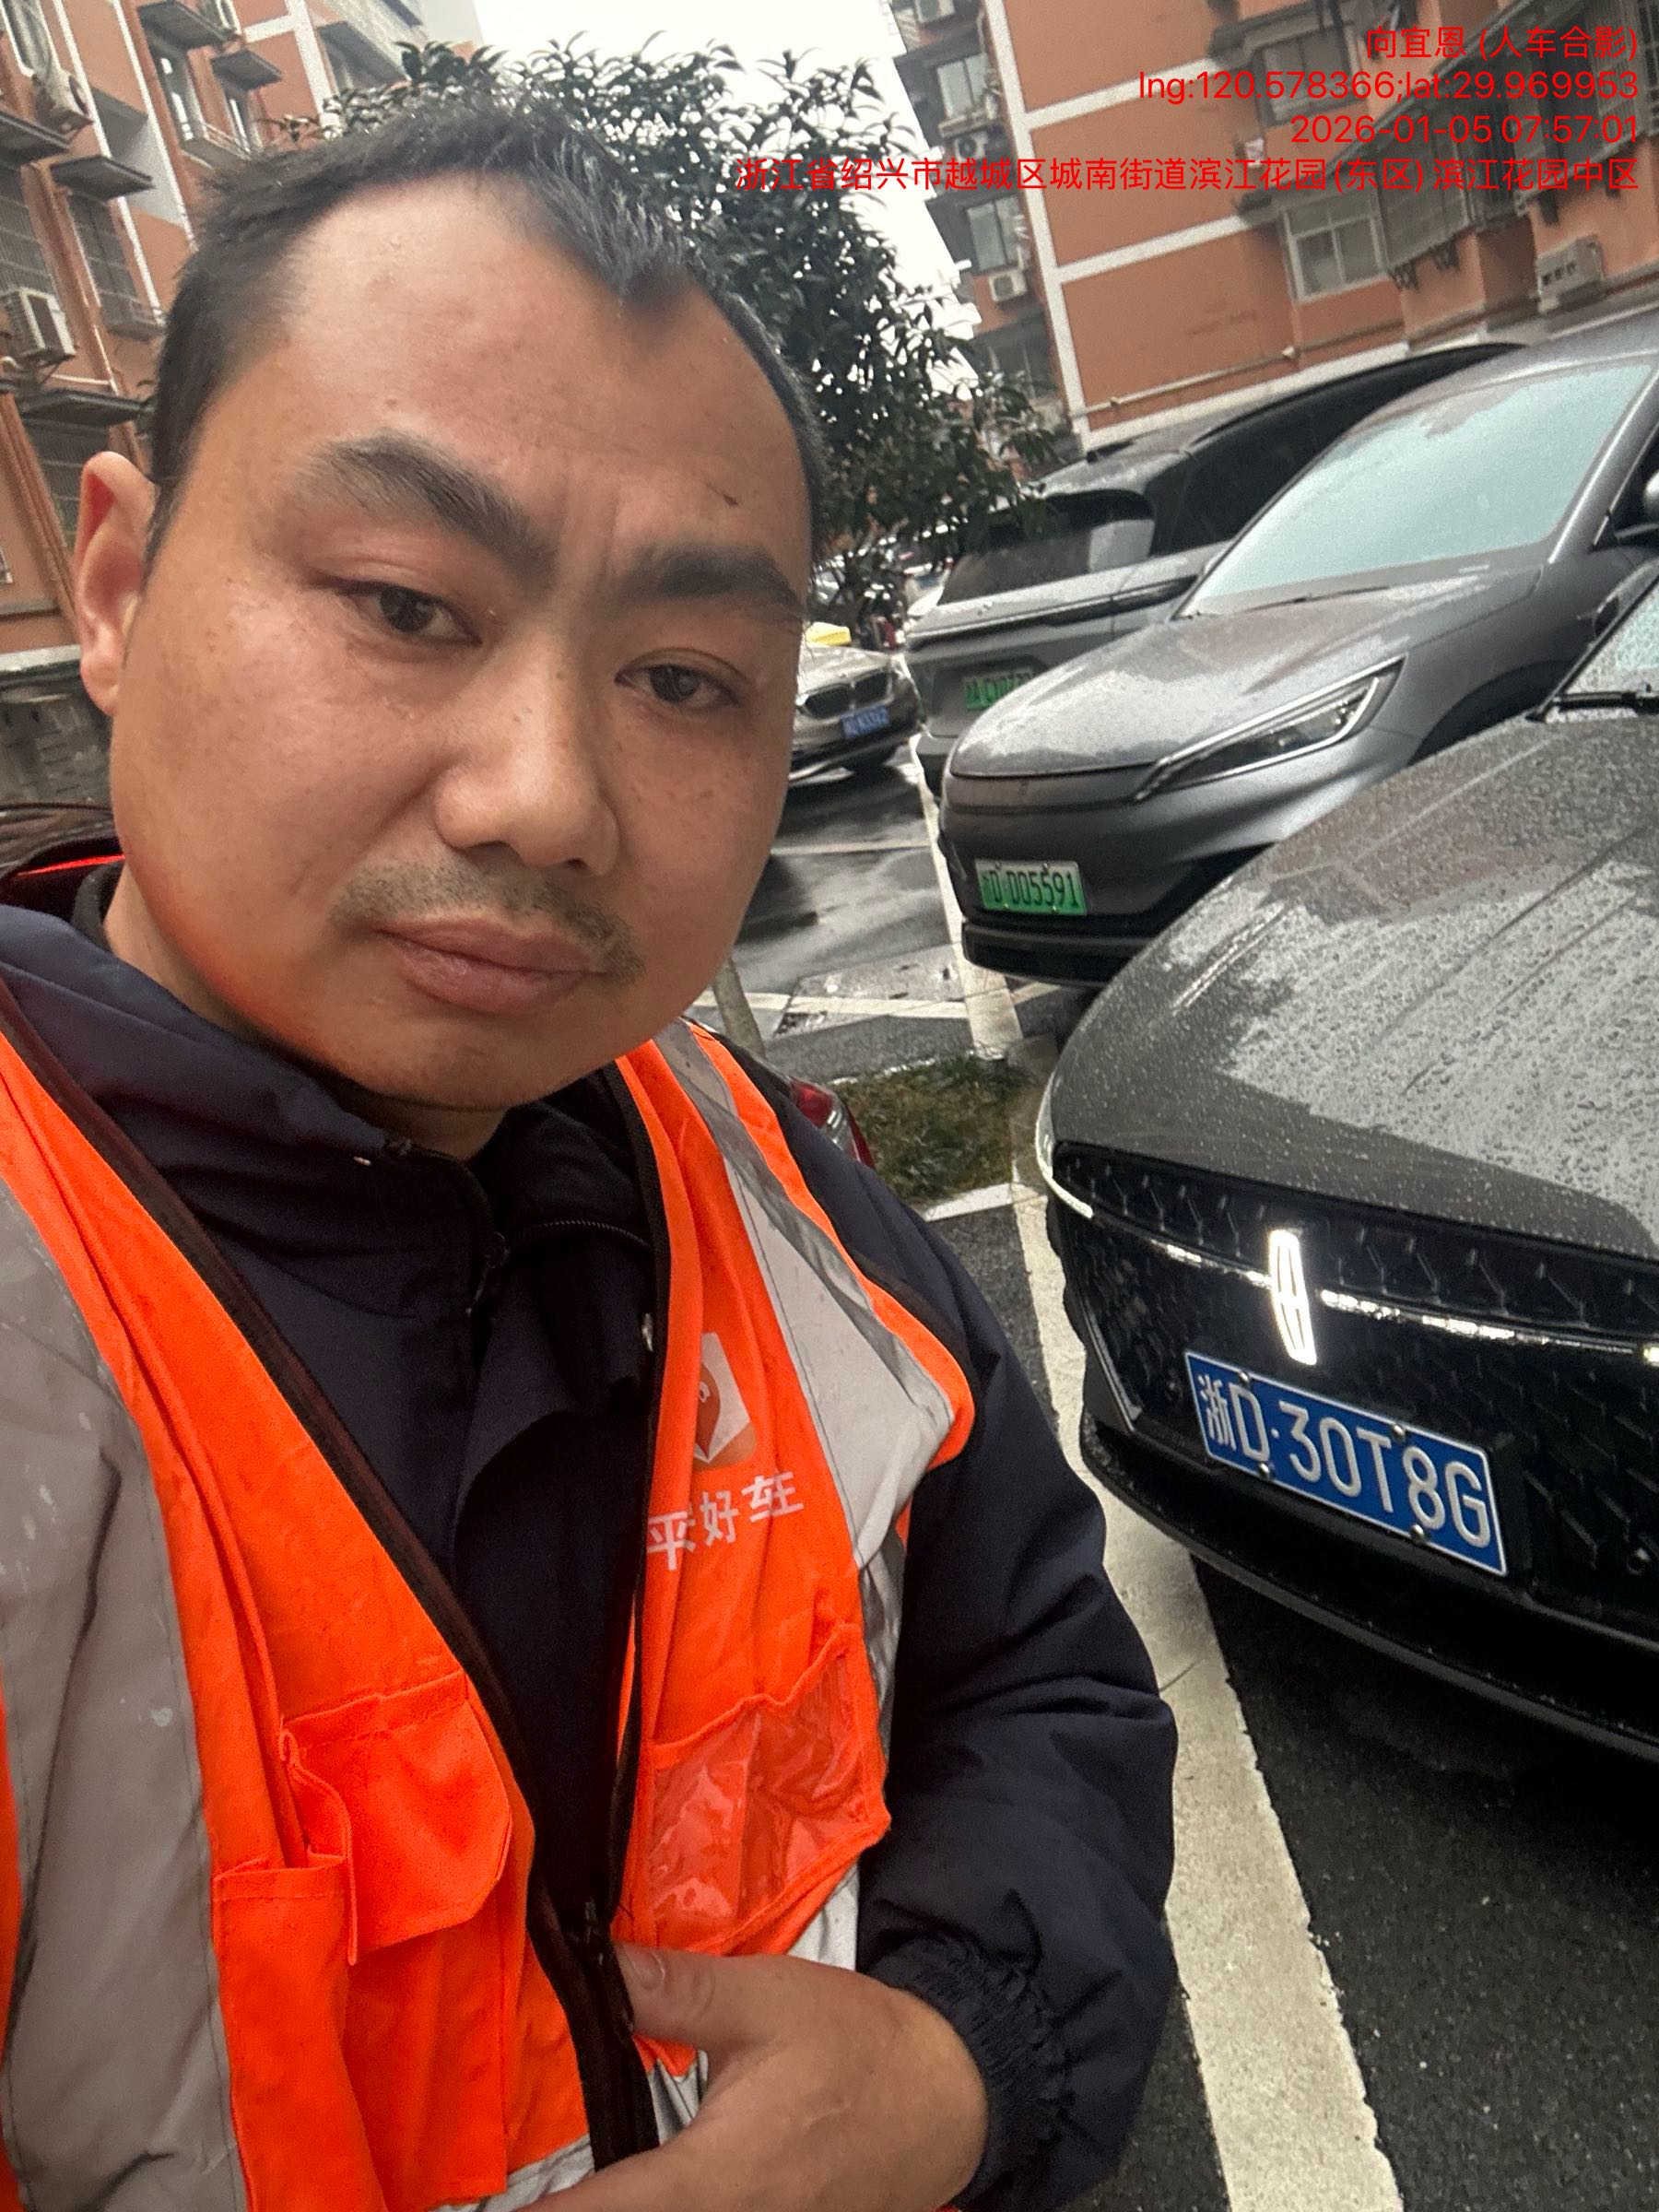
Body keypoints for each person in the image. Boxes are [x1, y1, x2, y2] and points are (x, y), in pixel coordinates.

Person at [0, 100, 1175, 2212]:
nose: (548, 795)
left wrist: (956, 2067)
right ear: (117, 582)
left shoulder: (762, 1189)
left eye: (683, 677)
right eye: (404, 601)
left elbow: (1033, 1668)